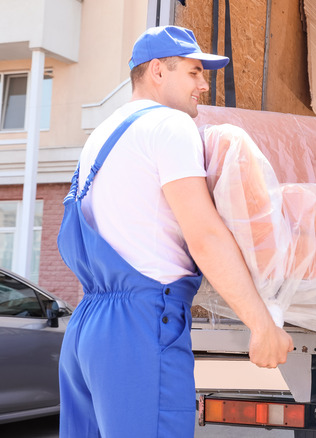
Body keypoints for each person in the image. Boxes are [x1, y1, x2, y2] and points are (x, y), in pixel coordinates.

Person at [57, 26, 293, 437]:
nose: (204, 84)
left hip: (88, 329)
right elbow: (205, 234)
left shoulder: (102, 134)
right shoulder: (169, 126)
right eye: (194, 72)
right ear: (157, 72)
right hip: (141, 327)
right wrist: (261, 324)